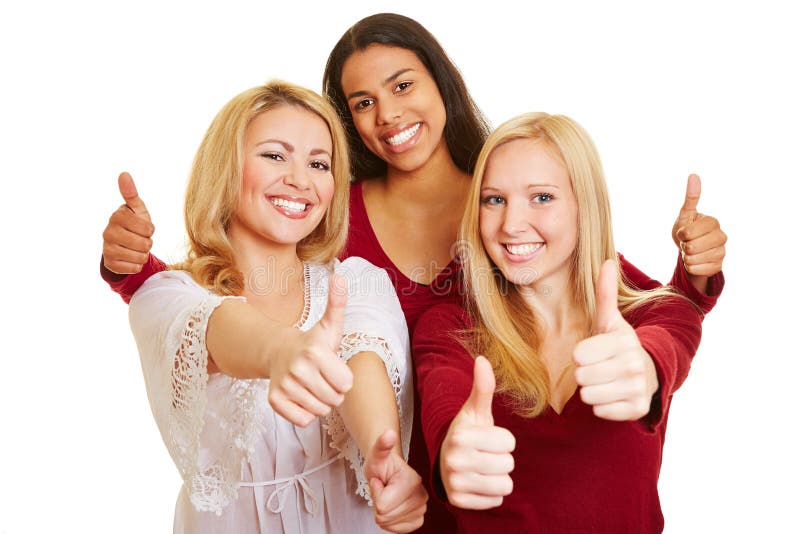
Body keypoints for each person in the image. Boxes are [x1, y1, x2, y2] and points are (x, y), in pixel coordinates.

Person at [100, 13, 726, 532]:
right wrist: (136, 268)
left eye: (403, 86)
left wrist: (692, 275)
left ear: (442, 84)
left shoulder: (503, 181)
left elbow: (618, 298)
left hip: (436, 494)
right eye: (363, 102)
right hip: (403, 508)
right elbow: (233, 293)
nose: (388, 115)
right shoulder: (335, 211)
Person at [128, 80, 426, 533]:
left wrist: (386, 455)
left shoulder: (356, 281)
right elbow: (220, 328)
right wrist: (281, 351)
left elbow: (365, 360)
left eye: (319, 164)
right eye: (274, 155)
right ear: (224, 167)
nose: (301, 180)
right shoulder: (167, 295)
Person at [412, 112, 722, 533]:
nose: (511, 225)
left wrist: (643, 370)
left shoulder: (653, 315)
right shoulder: (449, 328)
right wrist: (454, 451)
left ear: (585, 206)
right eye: (494, 199)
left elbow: (667, 340)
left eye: (541, 197)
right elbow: (444, 402)